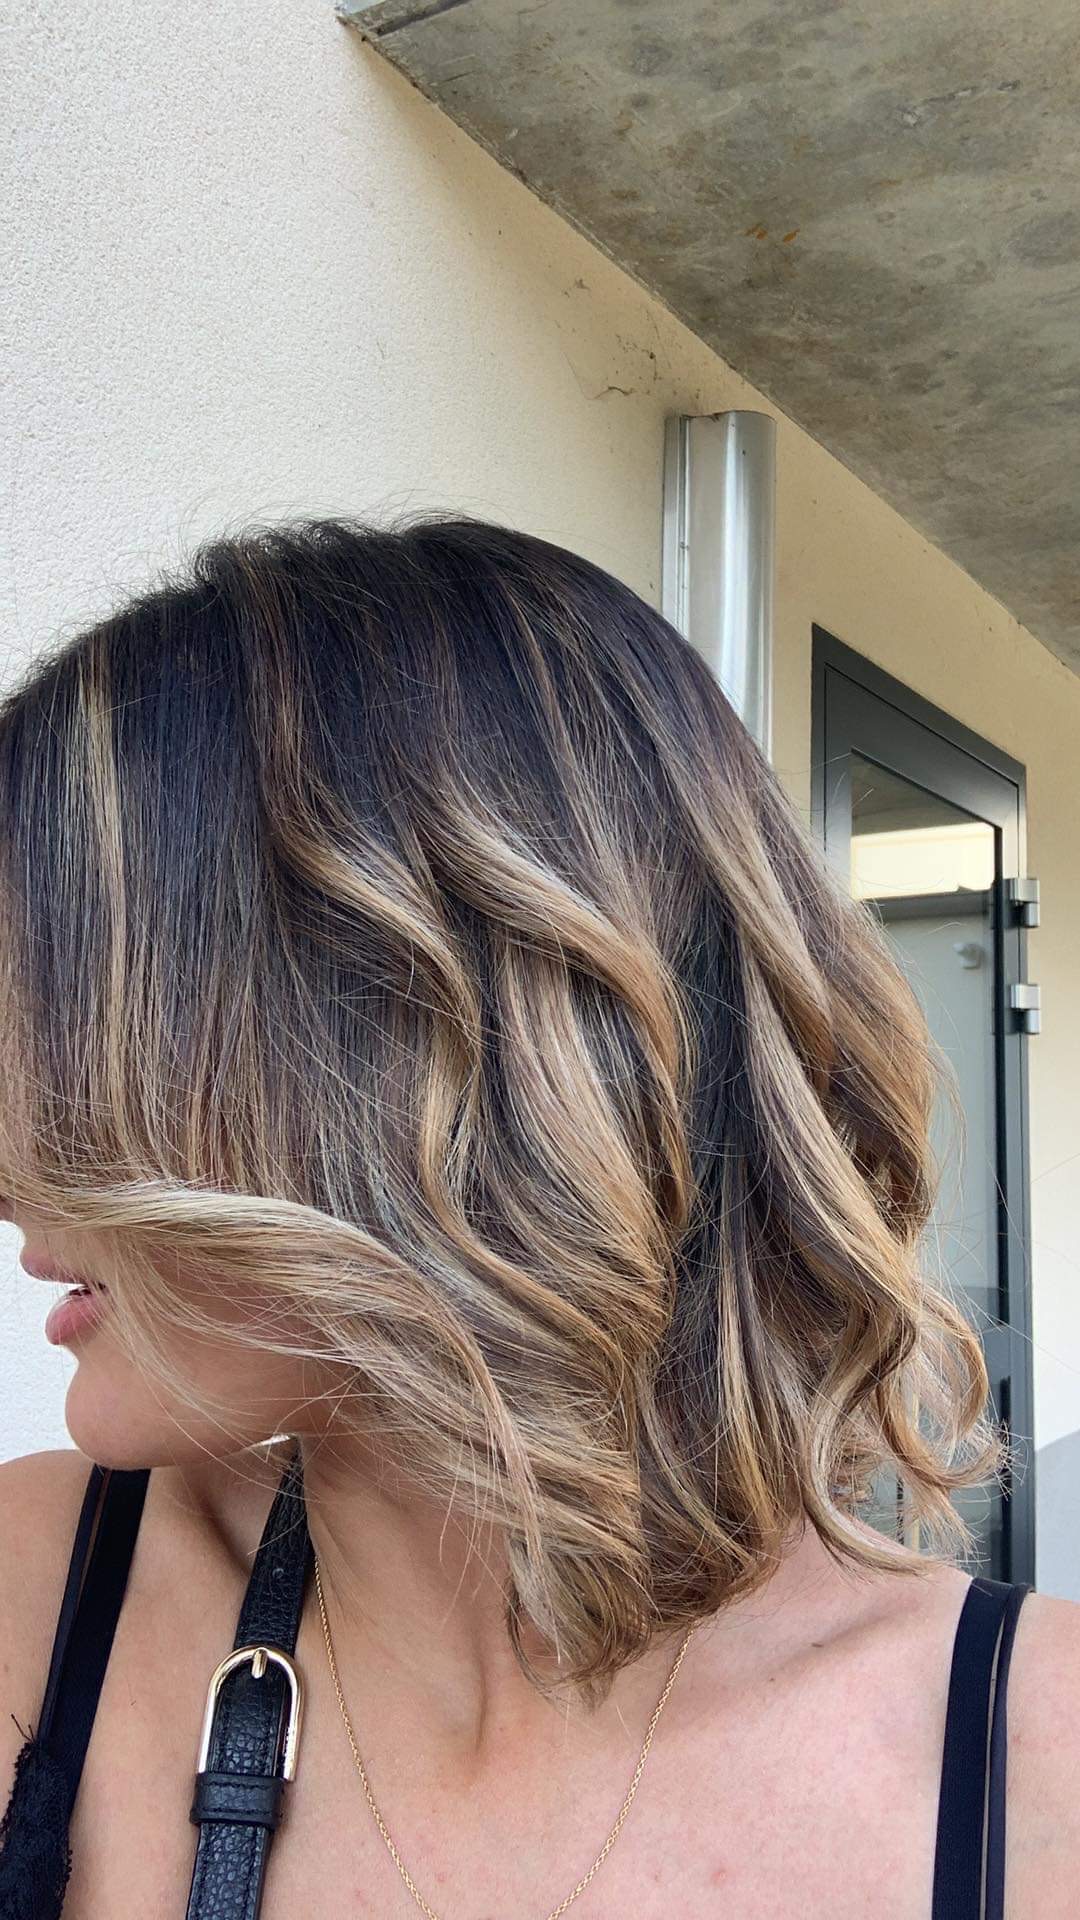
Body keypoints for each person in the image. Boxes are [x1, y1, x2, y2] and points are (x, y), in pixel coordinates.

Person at [0, 512, 1074, 1920]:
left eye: (72, 1058)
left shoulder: (1038, 1766)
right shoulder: (41, 1606)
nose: (15, 1170)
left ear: (413, 1054)